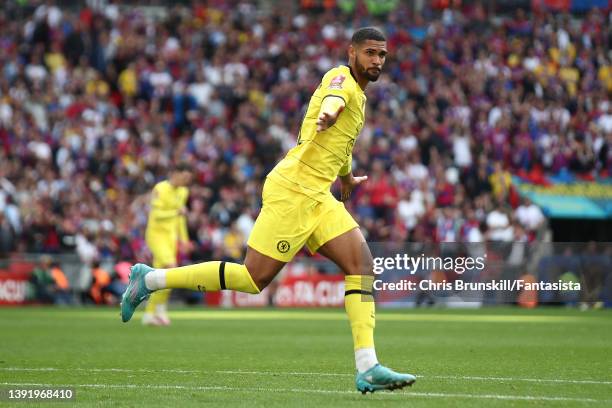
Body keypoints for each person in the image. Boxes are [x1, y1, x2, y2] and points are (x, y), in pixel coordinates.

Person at [121, 27, 416, 394]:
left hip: (319, 195)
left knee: (362, 266)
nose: (377, 61)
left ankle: (368, 365)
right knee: (252, 279)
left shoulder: (361, 97)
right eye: (370, 53)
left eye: (382, 55)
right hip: (293, 189)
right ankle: (149, 280)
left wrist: (347, 178)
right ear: (352, 52)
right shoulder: (341, 78)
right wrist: (329, 111)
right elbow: (333, 100)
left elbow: (340, 144)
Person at [142, 163, 193, 325]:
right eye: (184, 177)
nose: (186, 182)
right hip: (156, 235)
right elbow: (157, 215)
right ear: (175, 174)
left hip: (170, 238)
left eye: (188, 179)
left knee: (161, 276)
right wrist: (176, 212)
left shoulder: (183, 191)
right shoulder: (160, 188)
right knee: (170, 270)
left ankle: (150, 314)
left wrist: (184, 240)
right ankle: (160, 309)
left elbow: (180, 220)